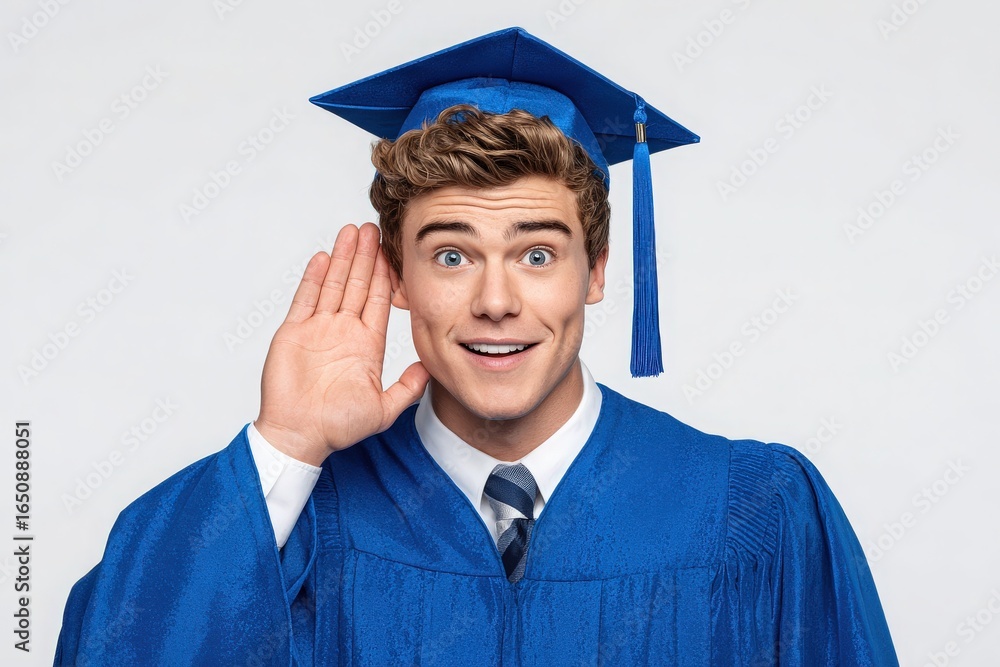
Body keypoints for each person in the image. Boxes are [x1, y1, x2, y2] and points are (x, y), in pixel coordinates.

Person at [55, 27, 898, 666]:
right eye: (451, 255)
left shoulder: (750, 512)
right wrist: (284, 447)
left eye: (538, 253)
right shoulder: (301, 518)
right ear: (397, 276)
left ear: (597, 270)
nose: (497, 301)